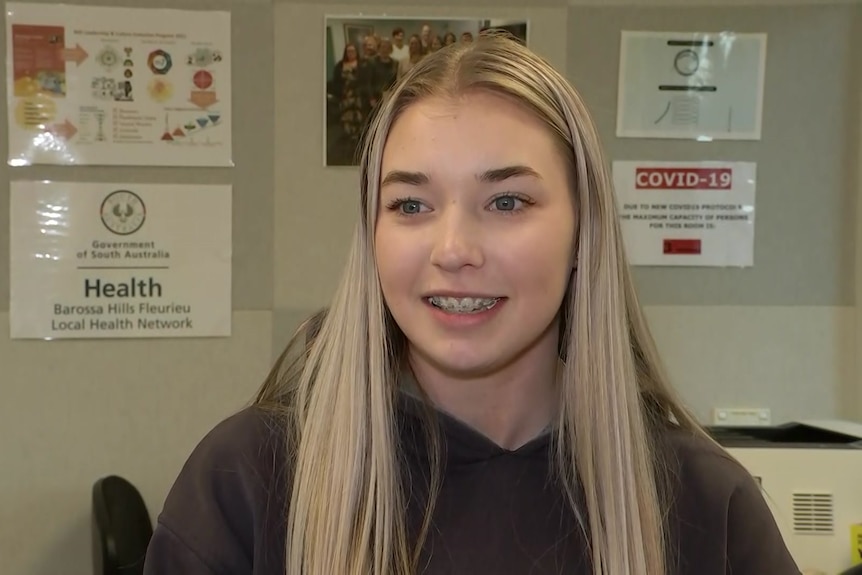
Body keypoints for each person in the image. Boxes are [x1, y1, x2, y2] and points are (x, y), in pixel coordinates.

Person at [143, 32, 800, 575]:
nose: (453, 248)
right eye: (410, 205)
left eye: (507, 201)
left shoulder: (708, 506)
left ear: (584, 232)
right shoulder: (249, 483)